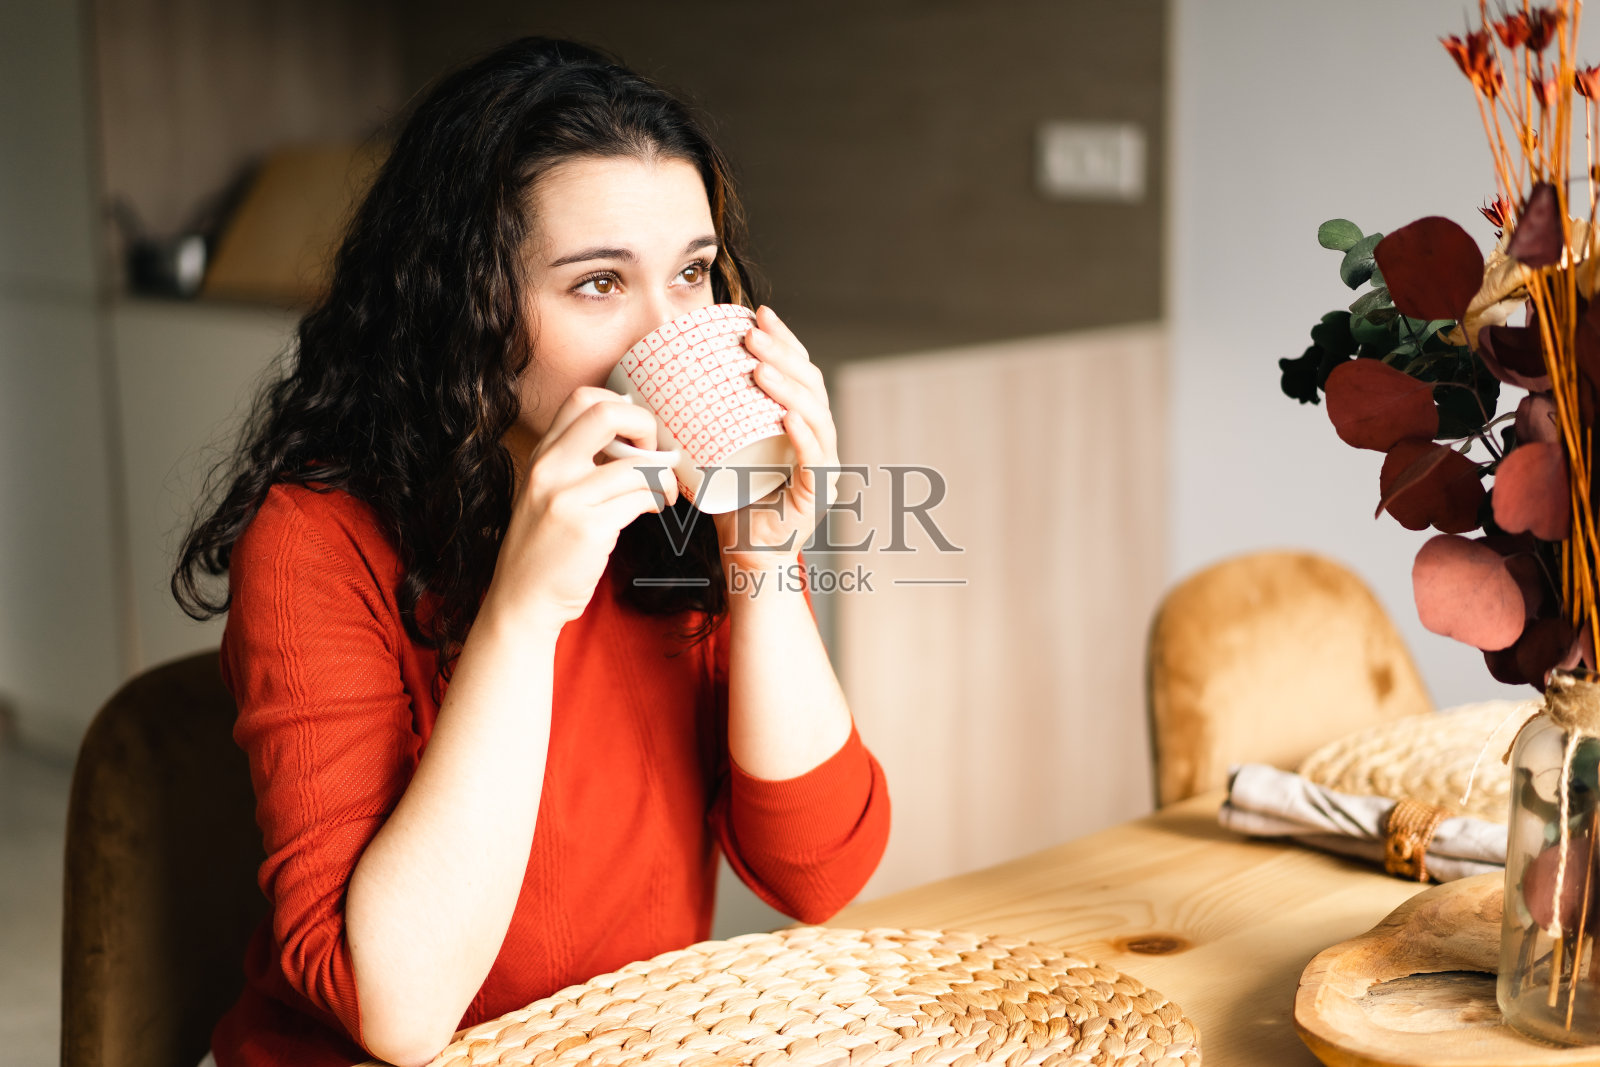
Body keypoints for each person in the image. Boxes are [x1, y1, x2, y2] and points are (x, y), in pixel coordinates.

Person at [172, 37, 890, 1067]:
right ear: (463, 304)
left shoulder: (690, 511)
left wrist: (764, 559)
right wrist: (523, 608)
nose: (667, 332)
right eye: (598, 284)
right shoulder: (315, 537)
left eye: (692, 273)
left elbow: (814, 872)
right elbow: (400, 1012)